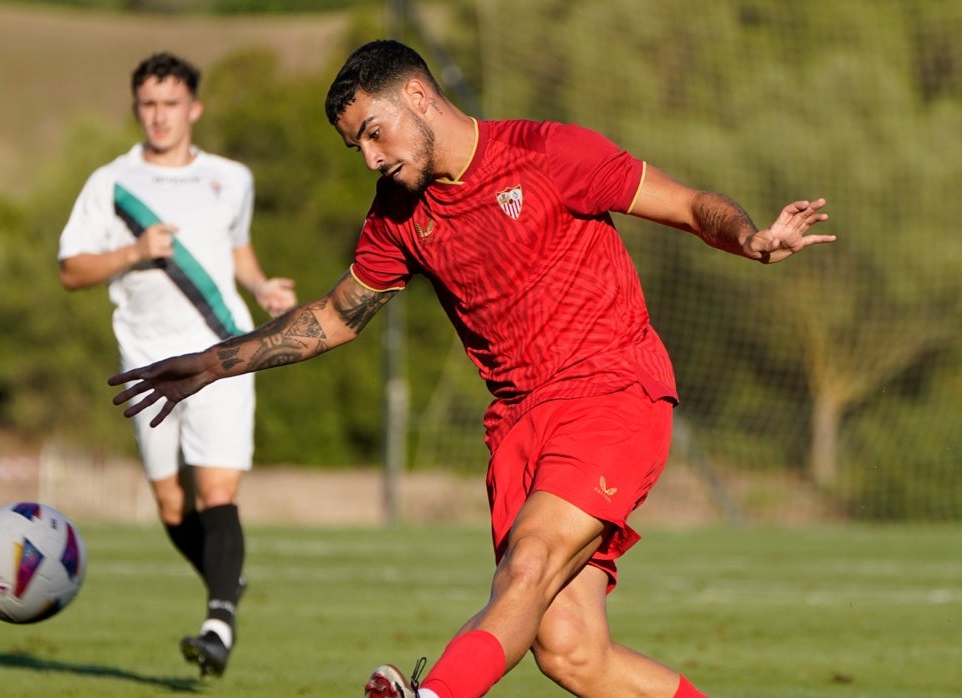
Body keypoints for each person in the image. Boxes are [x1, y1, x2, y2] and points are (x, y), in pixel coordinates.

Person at [111, 40, 835, 698]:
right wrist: (214, 361)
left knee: (529, 564)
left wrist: (751, 237)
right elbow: (336, 317)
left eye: (373, 133)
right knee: (572, 652)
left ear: (420, 99)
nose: (370, 157)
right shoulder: (398, 212)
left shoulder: (548, 154)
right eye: (355, 146)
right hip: (517, 424)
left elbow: (685, 205)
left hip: (612, 392)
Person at [57, 52, 296, 678]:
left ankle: (218, 621)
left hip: (221, 350)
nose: (159, 116)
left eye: (171, 104)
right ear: (136, 109)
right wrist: (134, 250)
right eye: (148, 104)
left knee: (217, 490)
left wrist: (264, 285)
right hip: (148, 360)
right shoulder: (111, 183)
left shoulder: (230, 178)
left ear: (195, 108)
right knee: (171, 505)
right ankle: (226, 580)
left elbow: (237, 251)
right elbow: (71, 269)